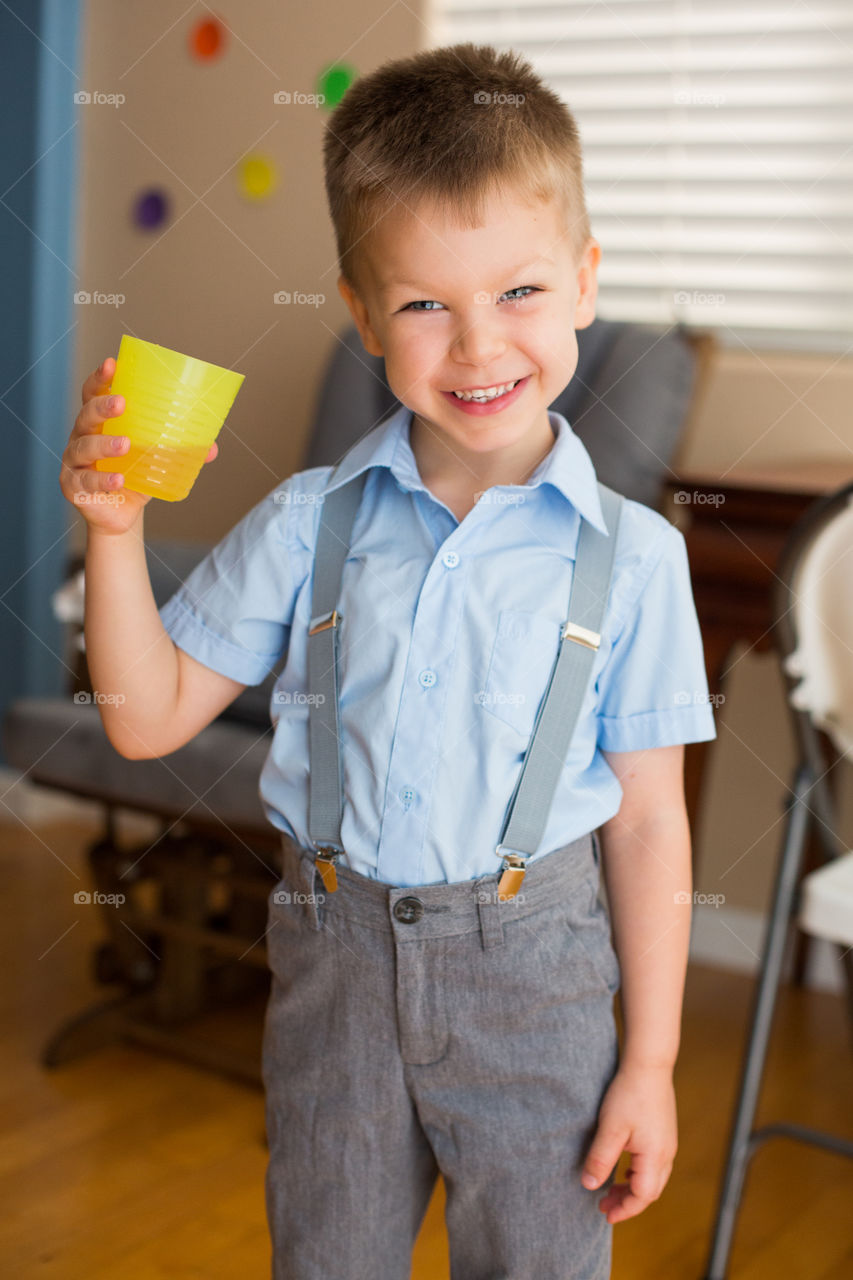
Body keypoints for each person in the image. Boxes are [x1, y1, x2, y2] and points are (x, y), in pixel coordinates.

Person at [60, 41, 716, 1280]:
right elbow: (145, 721)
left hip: (538, 985)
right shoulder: (309, 520)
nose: (479, 346)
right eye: (425, 303)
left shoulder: (634, 561)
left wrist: (649, 1061)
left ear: (583, 281)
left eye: (519, 291)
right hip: (333, 965)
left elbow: (646, 825)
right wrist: (114, 530)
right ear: (363, 314)